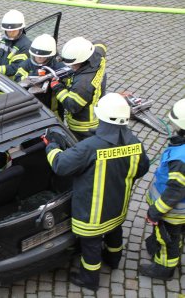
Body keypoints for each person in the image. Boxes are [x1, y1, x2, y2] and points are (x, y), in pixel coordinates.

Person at [43, 93, 150, 291]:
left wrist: (52, 146)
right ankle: (114, 259)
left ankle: (89, 279)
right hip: (118, 206)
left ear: (100, 116)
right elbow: (142, 168)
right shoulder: (135, 143)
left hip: (92, 214)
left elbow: (60, 165)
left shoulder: (89, 147)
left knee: (91, 246)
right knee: (114, 232)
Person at [139, 98, 185, 281]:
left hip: (172, 211)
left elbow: (175, 191)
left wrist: (156, 211)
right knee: (175, 234)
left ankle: (164, 268)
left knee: (168, 239)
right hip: (178, 210)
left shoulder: (181, 159)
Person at [51, 36, 107, 141]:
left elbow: (72, 106)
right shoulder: (97, 55)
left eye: (73, 64)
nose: (71, 66)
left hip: (83, 126)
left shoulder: (83, 84)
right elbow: (100, 43)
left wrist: (57, 87)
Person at [14, 34, 66, 118]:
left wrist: (58, 82)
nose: (38, 58)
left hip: (53, 111)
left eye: (42, 57)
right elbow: (17, 82)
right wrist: (33, 76)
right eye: (36, 55)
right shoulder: (25, 65)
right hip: (31, 109)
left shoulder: (59, 67)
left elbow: (68, 84)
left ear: (50, 56)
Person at [0, 10, 31, 80]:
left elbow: (15, 67)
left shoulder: (25, 46)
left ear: (20, 29)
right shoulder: (4, 41)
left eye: (13, 31)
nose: (10, 33)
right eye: (8, 31)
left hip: (11, 84)